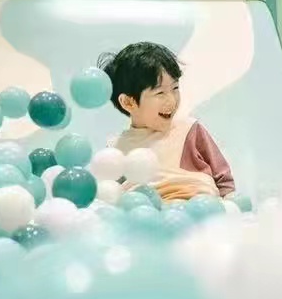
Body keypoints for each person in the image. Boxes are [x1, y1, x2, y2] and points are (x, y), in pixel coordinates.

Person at [101, 42, 235, 201]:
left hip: (199, 205)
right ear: (128, 102)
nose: (172, 100)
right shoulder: (116, 149)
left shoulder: (188, 130)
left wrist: (230, 205)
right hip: (149, 210)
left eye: (175, 88)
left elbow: (224, 180)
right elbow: (110, 195)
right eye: (160, 93)